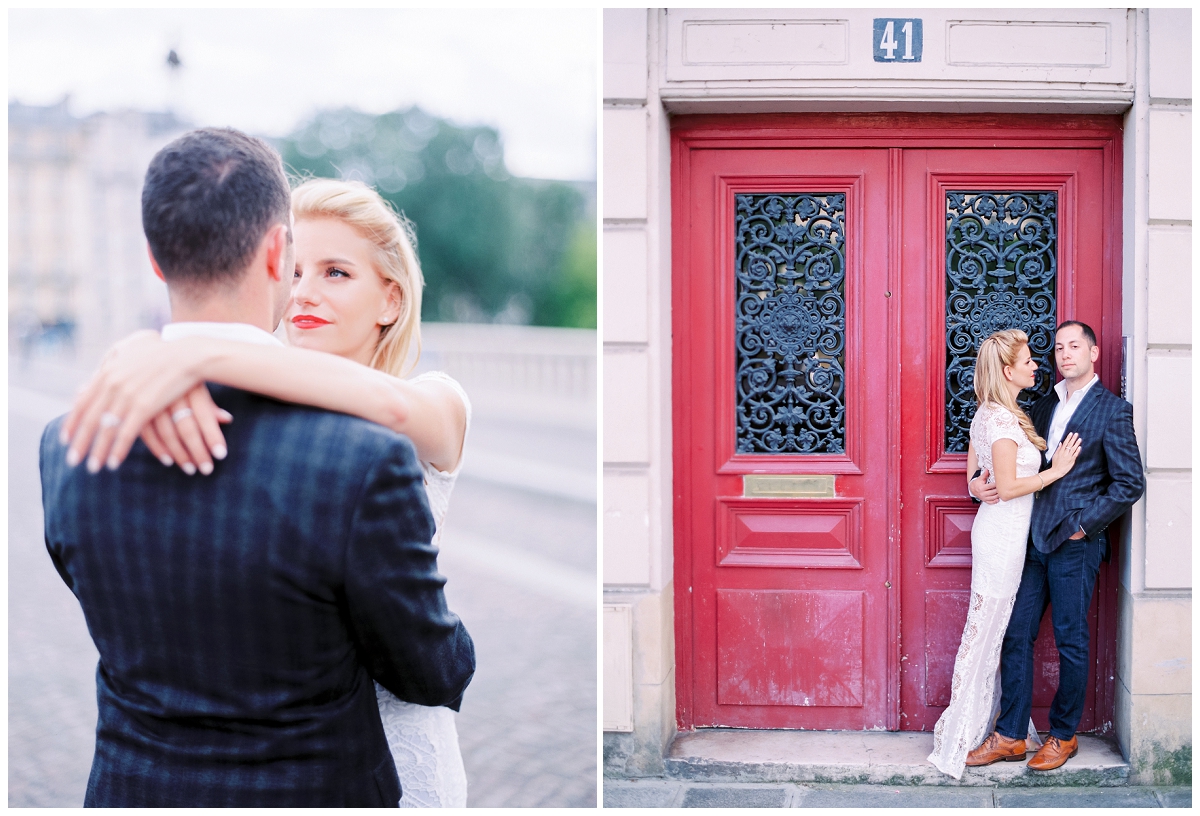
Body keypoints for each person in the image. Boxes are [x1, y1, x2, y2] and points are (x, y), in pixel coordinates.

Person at [42, 128, 475, 807]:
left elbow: (391, 410)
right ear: (275, 260)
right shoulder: (231, 412)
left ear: (391, 299)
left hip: (399, 749)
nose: (305, 292)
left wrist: (187, 351)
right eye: (299, 269)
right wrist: (180, 358)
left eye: (337, 273)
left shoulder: (432, 401)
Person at [965, 321, 1144, 772]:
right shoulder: (1040, 405)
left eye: (1074, 347)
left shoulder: (1113, 411)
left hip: (1074, 545)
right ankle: (1010, 735)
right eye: (1058, 347)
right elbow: (1001, 456)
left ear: (1094, 353)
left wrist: (1084, 526)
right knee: (1016, 633)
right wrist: (975, 485)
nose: (1064, 355)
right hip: (1028, 541)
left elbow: (1128, 484)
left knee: (1070, 640)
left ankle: (1063, 736)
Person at [926, 329, 1081, 779]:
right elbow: (1010, 487)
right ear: (1007, 371)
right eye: (1029, 361)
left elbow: (976, 468)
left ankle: (1000, 728)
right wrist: (1058, 471)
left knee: (997, 633)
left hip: (1012, 535)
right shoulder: (998, 418)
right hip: (1002, 538)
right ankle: (963, 731)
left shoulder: (999, 413)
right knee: (986, 631)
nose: (1037, 365)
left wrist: (974, 482)